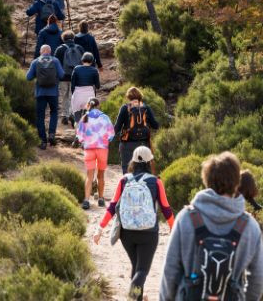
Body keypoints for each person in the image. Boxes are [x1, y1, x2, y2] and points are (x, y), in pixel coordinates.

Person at [160, 152, 263, 301]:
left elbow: (170, 272)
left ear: (207, 180)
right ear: (236, 182)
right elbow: (257, 279)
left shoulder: (186, 218)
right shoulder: (250, 226)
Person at [94, 146, 174, 301]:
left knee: (137, 268)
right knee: (142, 270)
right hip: (148, 233)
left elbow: (112, 207)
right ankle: (133, 297)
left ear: (133, 161)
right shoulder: (156, 182)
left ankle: (137, 297)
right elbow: (166, 209)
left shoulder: (124, 180)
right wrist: (174, 228)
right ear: (150, 161)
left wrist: (100, 228)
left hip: (127, 233)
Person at [77, 98, 115, 210]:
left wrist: (86, 141)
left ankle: (86, 200)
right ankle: (101, 199)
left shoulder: (85, 117)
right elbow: (111, 134)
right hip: (102, 149)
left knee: (89, 175)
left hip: (89, 149)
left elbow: (79, 137)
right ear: (98, 105)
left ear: (89, 105)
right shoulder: (105, 117)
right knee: (101, 175)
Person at [26, 44, 65, 150]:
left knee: (40, 117)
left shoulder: (35, 62)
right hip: (53, 93)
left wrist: (37, 75)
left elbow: (28, 77)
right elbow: (62, 75)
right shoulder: (55, 61)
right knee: (54, 112)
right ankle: (52, 134)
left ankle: (43, 141)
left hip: (40, 93)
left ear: (41, 52)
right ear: (50, 51)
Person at [114, 87, 159, 174]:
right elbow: (156, 125)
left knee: (127, 171)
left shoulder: (125, 108)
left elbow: (117, 128)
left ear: (128, 97)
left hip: (127, 144)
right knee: (144, 170)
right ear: (140, 96)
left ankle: (128, 187)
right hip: (144, 144)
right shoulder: (146, 108)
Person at [55, 31, 84, 125]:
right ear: (73, 38)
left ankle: (65, 115)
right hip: (76, 76)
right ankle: (73, 113)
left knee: (64, 96)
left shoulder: (59, 49)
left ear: (63, 39)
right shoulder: (79, 48)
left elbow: (56, 64)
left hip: (63, 77)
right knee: (74, 96)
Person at [71, 52, 100, 137]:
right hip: (90, 95)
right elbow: (98, 86)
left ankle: (77, 137)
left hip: (78, 94)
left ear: (82, 60)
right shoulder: (94, 70)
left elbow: (72, 85)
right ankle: (86, 140)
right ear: (92, 61)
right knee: (89, 119)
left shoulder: (76, 69)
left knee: (77, 119)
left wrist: (74, 94)